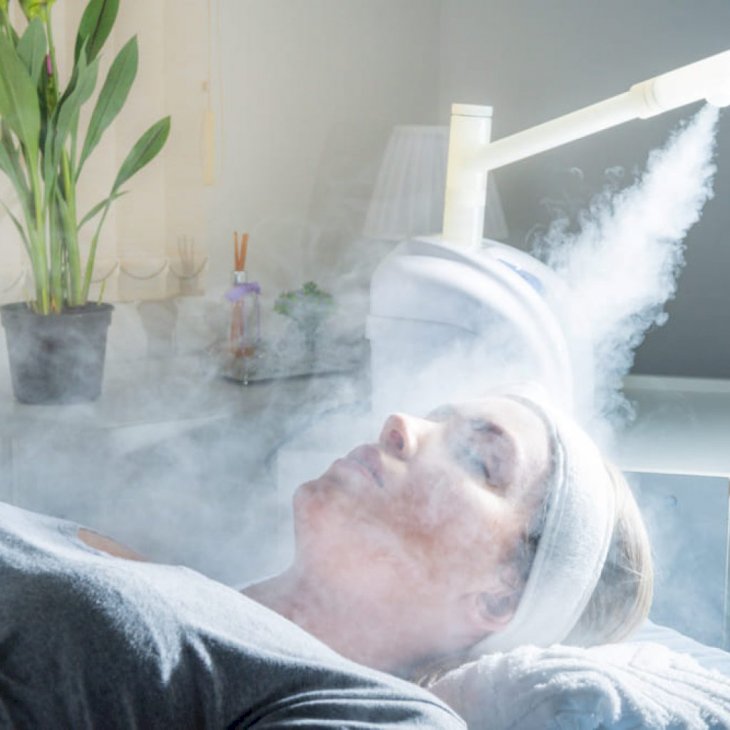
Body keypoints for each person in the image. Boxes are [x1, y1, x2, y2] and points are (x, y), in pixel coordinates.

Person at [0, 390, 652, 727]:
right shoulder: (182, 586)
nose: (400, 423)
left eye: (479, 458)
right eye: (435, 416)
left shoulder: (383, 714)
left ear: (496, 598)